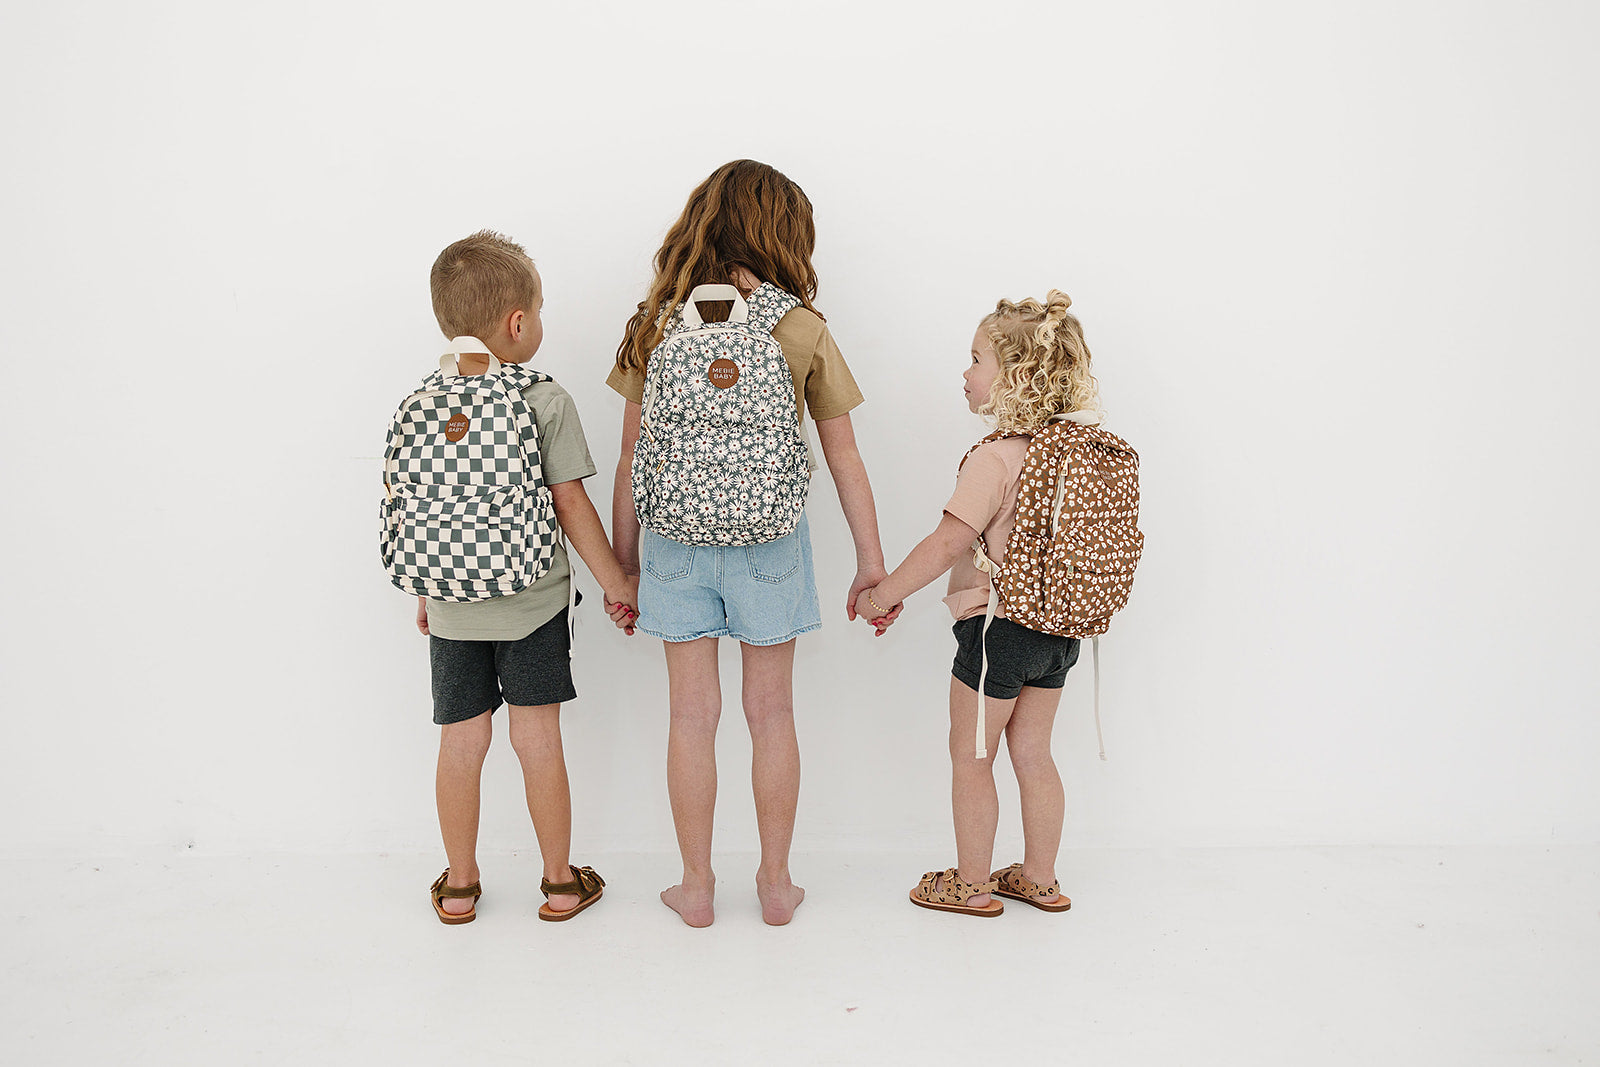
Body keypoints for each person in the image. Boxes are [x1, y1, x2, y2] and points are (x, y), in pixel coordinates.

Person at [605, 160, 888, 927]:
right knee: (771, 713)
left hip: (674, 542)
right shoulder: (799, 327)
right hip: (771, 540)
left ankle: (696, 886)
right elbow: (844, 456)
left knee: (690, 716)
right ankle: (776, 882)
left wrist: (624, 567)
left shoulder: (657, 323)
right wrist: (871, 564)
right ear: (785, 234)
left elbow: (631, 459)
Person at [412, 231, 639, 924]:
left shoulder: (425, 401)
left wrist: (428, 588)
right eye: (538, 310)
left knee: (461, 741)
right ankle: (561, 883)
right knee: (537, 739)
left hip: (453, 605)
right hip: (533, 604)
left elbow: (426, 505)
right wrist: (617, 582)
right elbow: (570, 503)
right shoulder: (544, 399)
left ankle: (459, 886)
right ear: (518, 323)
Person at [857, 291, 1097, 916]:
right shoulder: (1070, 455)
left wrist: (883, 594)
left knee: (972, 756)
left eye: (976, 359)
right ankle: (1040, 878)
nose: (965, 373)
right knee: (1034, 755)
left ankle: (972, 883)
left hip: (997, 632)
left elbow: (946, 543)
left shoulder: (996, 458)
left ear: (1015, 375)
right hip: (1058, 629)